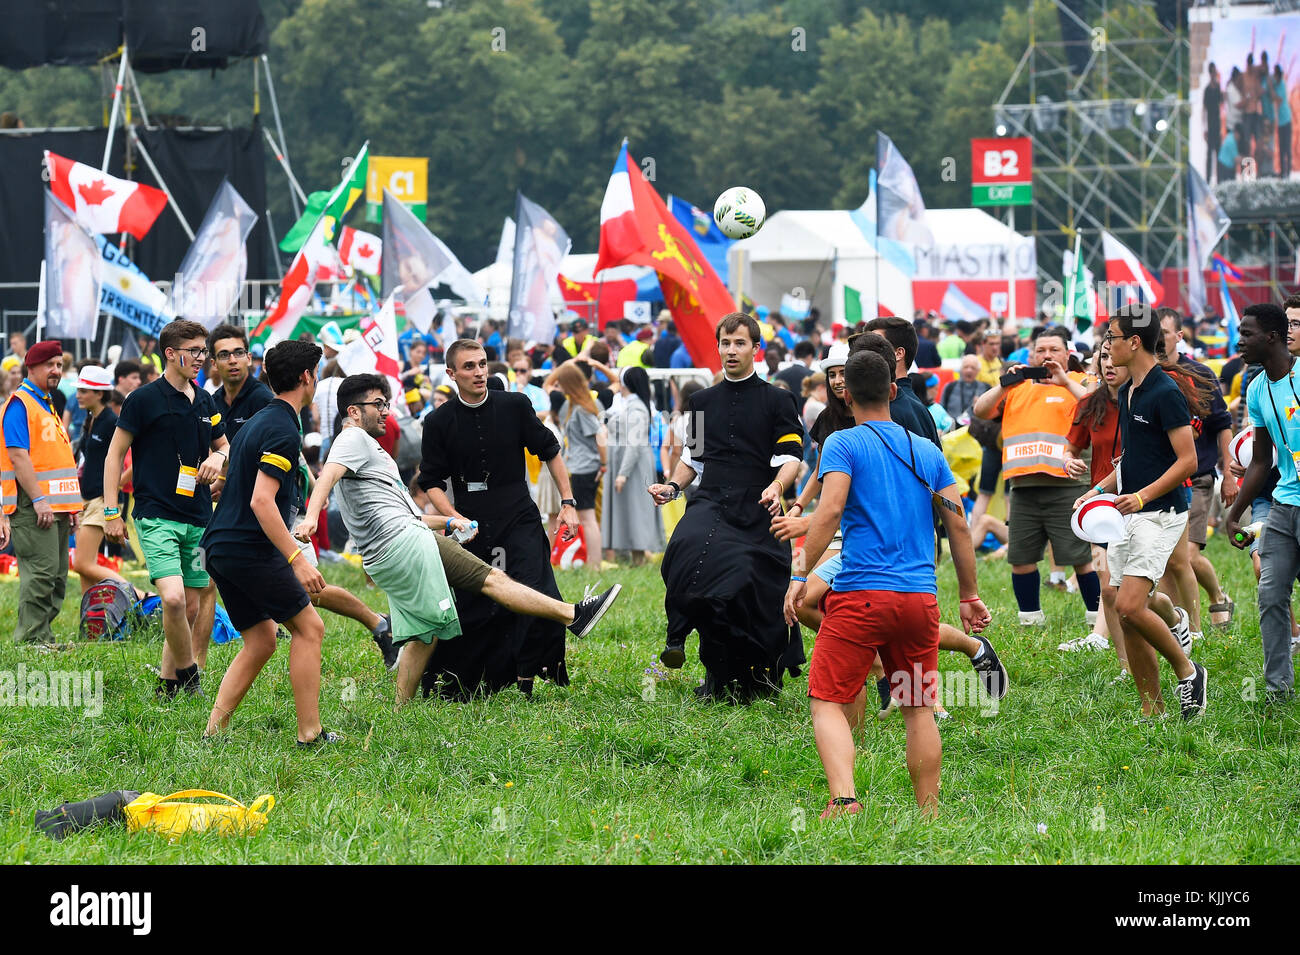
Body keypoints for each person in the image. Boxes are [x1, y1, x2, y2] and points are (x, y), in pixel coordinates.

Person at [296, 374, 621, 704]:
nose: (386, 412)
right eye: (378, 404)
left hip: (399, 544)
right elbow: (327, 477)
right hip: (407, 545)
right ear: (353, 411)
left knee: (426, 633)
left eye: (386, 403)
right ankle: (573, 615)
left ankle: (399, 712)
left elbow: (409, 515)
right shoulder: (352, 439)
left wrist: (450, 520)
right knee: (492, 580)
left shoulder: (369, 448)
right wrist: (311, 517)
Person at [786, 350, 991, 818]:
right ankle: (929, 814)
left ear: (848, 394)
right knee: (918, 708)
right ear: (894, 391)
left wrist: (800, 575)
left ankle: (844, 800)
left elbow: (832, 509)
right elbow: (958, 524)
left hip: (861, 595)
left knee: (826, 700)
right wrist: (969, 595)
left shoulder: (842, 443)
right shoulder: (928, 451)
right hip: (920, 599)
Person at [210, 323, 396, 667]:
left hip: (256, 529)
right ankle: (311, 723)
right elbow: (257, 490)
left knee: (293, 611)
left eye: (237, 353)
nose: (231, 361)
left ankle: (378, 624)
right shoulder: (253, 412)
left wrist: (310, 500)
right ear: (308, 377)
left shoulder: (265, 406)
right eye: (223, 354)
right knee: (309, 619)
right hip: (253, 535)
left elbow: (278, 465)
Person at [648, 312, 805, 700]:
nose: (731, 350)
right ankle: (678, 636)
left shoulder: (779, 399)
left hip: (759, 504)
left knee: (747, 581)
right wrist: (671, 486)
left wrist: (777, 487)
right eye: (725, 343)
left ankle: (756, 680)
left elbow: (792, 457)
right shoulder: (700, 400)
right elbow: (693, 460)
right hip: (712, 500)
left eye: (739, 343)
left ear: (756, 348)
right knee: (684, 550)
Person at [417, 338, 583, 697]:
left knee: (533, 587)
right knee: (477, 602)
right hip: (471, 520)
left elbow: (551, 451)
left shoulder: (514, 405)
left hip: (517, 511)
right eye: (468, 367)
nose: (478, 372)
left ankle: (527, 674)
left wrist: (568, 502)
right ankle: (476, 678)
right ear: (451, 373)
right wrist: (452, 517)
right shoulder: (438, 421)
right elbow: (430, 480)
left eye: (481, 364)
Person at [200, 340, 338, 745]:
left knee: (261, 640)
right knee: (310, 628)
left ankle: (213, 732)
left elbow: (233, 486)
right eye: (317, 371)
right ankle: (310, 733)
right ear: (307, 377)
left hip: (221, 547)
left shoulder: (260, 420)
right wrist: (297, 558)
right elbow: (261, 501)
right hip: (247, 546)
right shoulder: (281, 427)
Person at [1075, 306, 1205, 720]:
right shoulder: (1128, 391)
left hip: (1161, 513)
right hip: (1128, 513)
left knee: (1130, 606)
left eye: (1111, 337)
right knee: (1119, 606)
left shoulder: (1165, 392)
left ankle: (1189, 671)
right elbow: (1131, 459)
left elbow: (1187, 462)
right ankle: (1153, 710)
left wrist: (1143, 496)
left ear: (1134, 342)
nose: (1105, 346)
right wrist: (1096, 492)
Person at [103, 319, 229, 698]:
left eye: (204, 351)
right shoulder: (142, 399)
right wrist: (112, 512)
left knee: (191, 605)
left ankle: (167, 683)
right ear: (171, 354)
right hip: (155, 514)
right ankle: (190, 677)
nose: (202, 358)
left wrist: (218, 459)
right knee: (172, 598)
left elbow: (225, 446)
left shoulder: (206, 399)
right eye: (195, 351)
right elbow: (114, 455)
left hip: (198, 517)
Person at [972, 326, 1101, 631]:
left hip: (1067, 485)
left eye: (1053, 350)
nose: (1046, 356)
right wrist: (1005, 385)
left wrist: (1066, 380)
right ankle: (1030, 619)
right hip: (1022, 486)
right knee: (1021, 558)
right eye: (1040, 350)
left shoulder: (1081, 382)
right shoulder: (1017, 386)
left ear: (1067, 354)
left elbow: (1099, 408)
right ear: (1030, 355)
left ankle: (1098, 620)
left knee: (1080, 556)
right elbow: (980, 410)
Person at [1226, 303, 1300, 702]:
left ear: (1271, 337)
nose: (1240, 341)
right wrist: (1234, 513)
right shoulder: (1255, 390)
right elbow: (1259, 460)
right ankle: (1277, 691)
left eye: (1247, 333)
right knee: (1270, 594)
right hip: (1285, 506)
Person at [1156, 310, 1235, 635]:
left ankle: (1213, 602)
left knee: (1185, 554)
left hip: (1198, 477)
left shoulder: (1199, 373)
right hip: (1156, 482)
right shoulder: (1141, 375)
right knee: (1165, 562)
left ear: (1179, 336)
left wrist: (1228, 473)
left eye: (1164, 332)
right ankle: (1179, 627)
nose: (1159, 339)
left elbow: (1222, 424)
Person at [0, 340, 83, 642]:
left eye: (59, 365)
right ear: (31, 367)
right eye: (49, 364)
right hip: (32, 505)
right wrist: (39, 500)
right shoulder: (21, 404)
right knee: (41, 574)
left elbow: (53, 460)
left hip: (54, 507)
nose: (56, 371)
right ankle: (31, 640)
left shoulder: (45, 403)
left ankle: (42, 635)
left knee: (58, 576)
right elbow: (18, 456)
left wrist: (69, 507)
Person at [1063, 347, 1129, 671]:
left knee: (1157, 578)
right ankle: (1122, 662)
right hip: (1101, 508)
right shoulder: (1090, 403)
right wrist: (1068, 460)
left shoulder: (1145, 400)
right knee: (1108, 582)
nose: (1109, 362)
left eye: (1114, 355)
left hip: (1143, 503)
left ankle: (1182, 625)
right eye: (1103, 356)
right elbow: (1072, 447)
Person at [70, 365, 136, 594]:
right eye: (78, 390)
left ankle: (139, 595)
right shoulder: (92, 420)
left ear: (99, 394)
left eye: (83, 390)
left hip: (101, 500)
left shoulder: (110, 421)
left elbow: (133, 459)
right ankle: (90, 622)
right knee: (85, 568)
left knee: (82, 563)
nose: (78, 395)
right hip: (85, 499)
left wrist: (115, 486)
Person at [545, 360, 606, 562]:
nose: (557, 386)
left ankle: (594, 563)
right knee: (587, 517)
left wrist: (604, 465)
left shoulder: (580, 409)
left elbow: (600, 436)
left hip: (584, 467)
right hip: (582, 466)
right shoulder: (578, 405)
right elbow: (548, 385)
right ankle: (593, 562)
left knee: (587, 518)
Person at [602, 367, 663, 565]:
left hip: (633, 467)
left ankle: (639, 558)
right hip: (629, 465)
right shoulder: (631, 405)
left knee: (637, 510)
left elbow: (634, 443)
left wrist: (623, 474)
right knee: (632, 509)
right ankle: (635, 558)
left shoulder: (636, 408)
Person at [941, 355, 990, 422]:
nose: (969, 370)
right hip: (953, 429)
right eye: (966, 367)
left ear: (978, 371)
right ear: (961, 369)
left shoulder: (986, 388)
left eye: (973, 368)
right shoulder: (950, 387)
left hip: (976, 429)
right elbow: (942, 412)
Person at [1204, 62, 1223, 183]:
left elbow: (1221, 105)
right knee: (1209, 153)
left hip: (1217, 123)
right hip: (1210, 124)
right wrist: (1205, 128)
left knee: (1218, 152)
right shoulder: (1207, 90)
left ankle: (1219, 179)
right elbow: (1205, 109)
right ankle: (1208, 178)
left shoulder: (1218, 87)